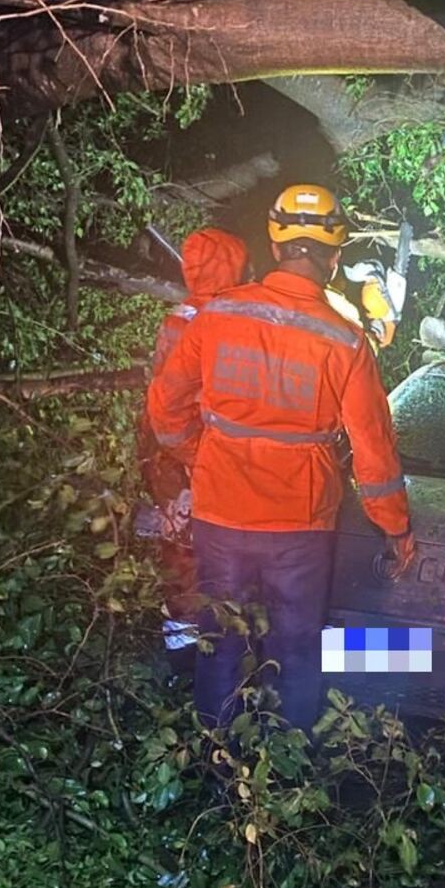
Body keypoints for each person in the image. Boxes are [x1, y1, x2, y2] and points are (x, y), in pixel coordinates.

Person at [146, 184, 416, 736]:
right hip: (300, 523)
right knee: (297, 649)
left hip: (220, 515)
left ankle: (218, 770)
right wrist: (396, 526)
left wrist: (204, 457)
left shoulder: (218, 315)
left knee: (219, 645)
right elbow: (372, 448)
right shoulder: (345, 341)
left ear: (274, 247)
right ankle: (291, 780)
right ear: (335, 256)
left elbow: (166, 409)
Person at [137, 227, 249, 668]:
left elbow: (160, 399)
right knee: (221, 554)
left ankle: (182, 664)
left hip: (170, 452)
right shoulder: (233, 320)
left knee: (180, 553)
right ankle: (220, 662)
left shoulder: (177, 319)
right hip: (206, 451)